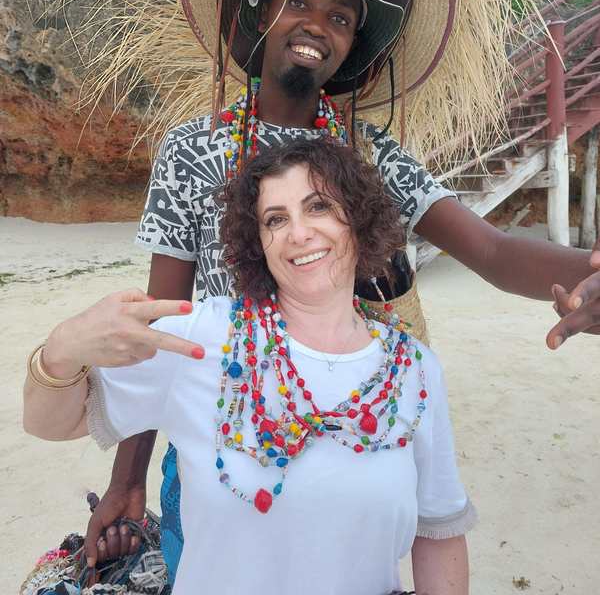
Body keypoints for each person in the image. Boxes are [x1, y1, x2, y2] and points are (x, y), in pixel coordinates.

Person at [48, 0, 600, 581]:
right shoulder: (192, 152)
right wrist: (126, 479)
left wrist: (587, 272)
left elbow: (491, 249)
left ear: (351, 49)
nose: (318, 23)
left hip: (352, 434)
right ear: (260, 15)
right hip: (222, 439)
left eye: (341, 17)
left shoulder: (371, 157)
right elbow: (160, 324)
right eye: (300, 1)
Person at [24, 137, 475, 595]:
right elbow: (50, 423)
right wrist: (60, 351)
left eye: (318, 206)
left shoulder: (413, 368)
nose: (298, 233)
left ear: (358, 219)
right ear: (258, 244)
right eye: (275, 219)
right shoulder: (202, 336)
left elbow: (438, 533)